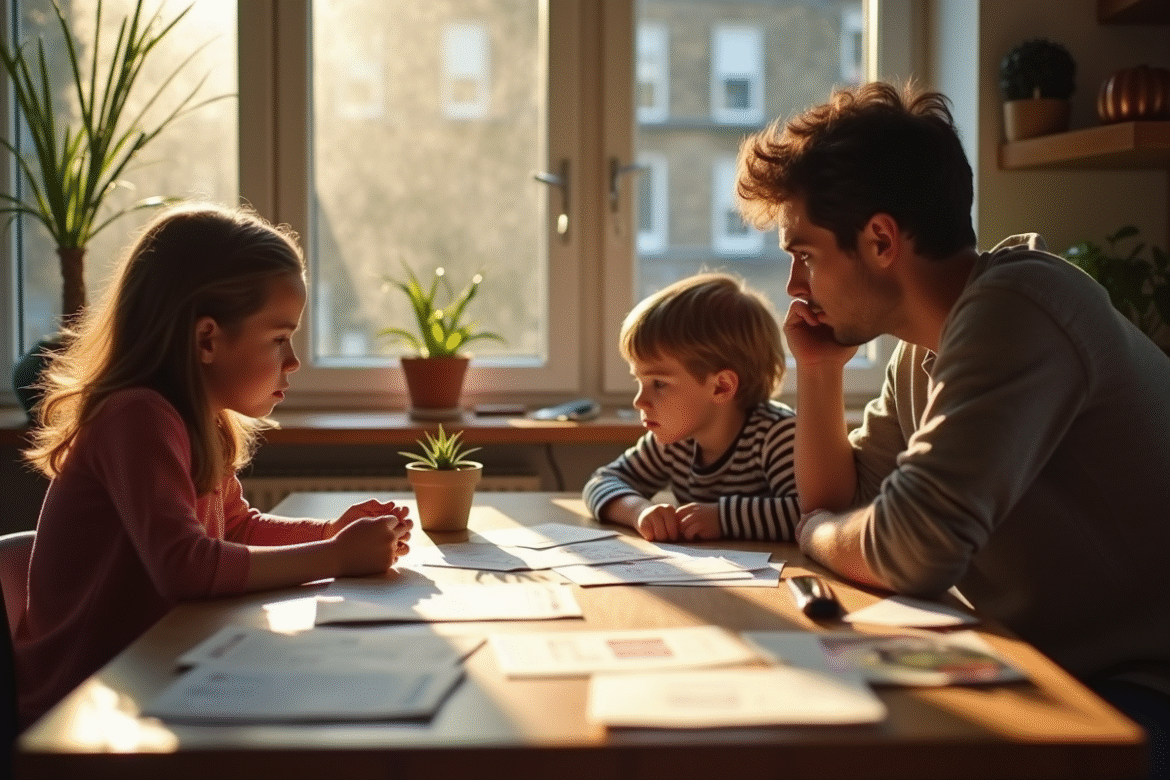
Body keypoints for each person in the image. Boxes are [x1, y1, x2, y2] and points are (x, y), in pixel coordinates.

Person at [736, 81, 1170, 778]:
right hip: (1045, 666)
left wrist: (815, 528)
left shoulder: (1020, 307)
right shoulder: (923, 351)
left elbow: (910, 547)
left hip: (1139, 689)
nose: (795, 284)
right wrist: (817, 372)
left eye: (806, 254)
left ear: (880, 240)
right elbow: (849, 504)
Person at [15, 203, 413, 729]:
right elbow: (186, 566)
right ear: (206, 339)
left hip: (152, 670)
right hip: (88, 701)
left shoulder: (197, 419)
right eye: (279, 338)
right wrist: (336, 556)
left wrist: (329, 531)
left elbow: (237, 527)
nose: (292, 361)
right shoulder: (138, 417)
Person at [583, 272, 800, 542]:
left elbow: (808, 514)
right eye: (639, 381)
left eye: (659, 384)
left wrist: (722, 518)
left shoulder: (777, 436)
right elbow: (600, 483)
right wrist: (639, 511)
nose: (639, 401)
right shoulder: (674, 441)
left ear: (720, 387)